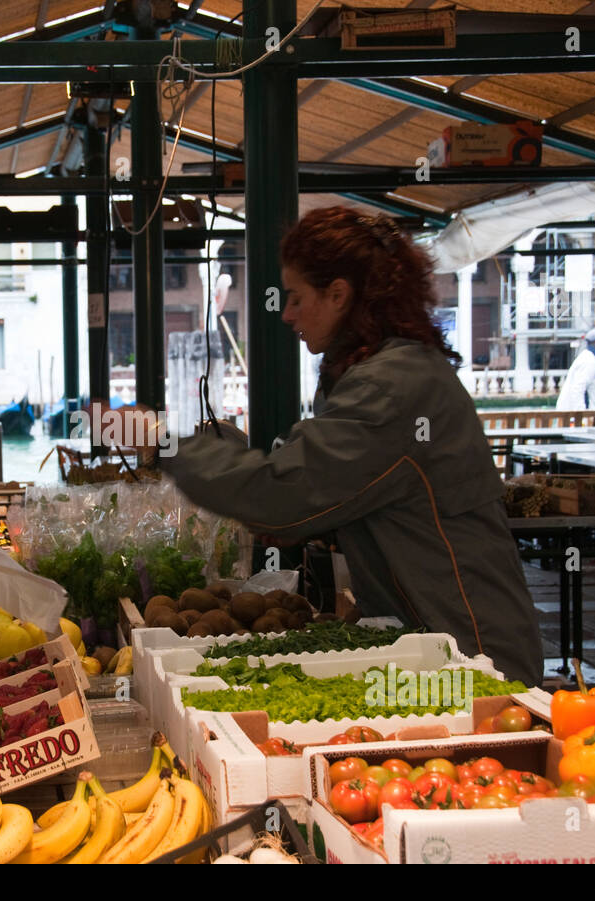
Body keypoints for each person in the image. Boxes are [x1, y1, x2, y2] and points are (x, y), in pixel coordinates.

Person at [164, 206, 543, 685]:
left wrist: (163, 445)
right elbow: (342, 487)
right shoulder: (381, 371)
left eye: (297, 297)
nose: (287, 313)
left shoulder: (391, 387)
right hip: (432, 647)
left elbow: (280, 495)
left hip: (474, 656)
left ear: (339, 294)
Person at [556, 327, 595, 412]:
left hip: (578, 414)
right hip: (573, 414)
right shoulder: (588, 362)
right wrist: (581, 415)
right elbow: (578, 389)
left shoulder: (593, 359)